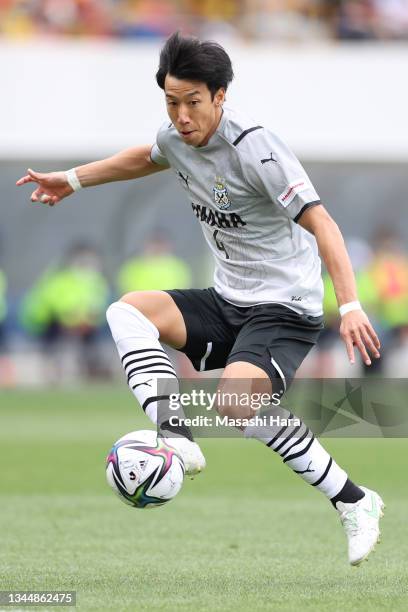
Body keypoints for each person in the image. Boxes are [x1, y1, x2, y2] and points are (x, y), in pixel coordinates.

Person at [16, 32, 383, 566]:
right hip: (229, 296)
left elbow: (323, 224)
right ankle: (175, 431)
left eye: (193, 102)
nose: (182, 115)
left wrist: (348, 305)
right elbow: (147, 155)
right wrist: (72, 179)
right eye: (172, 101)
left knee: (236, 405)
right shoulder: (176, 138)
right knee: (127, 310)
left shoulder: (256, 149)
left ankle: (354, 500)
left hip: (284, 307)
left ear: (220, 96)